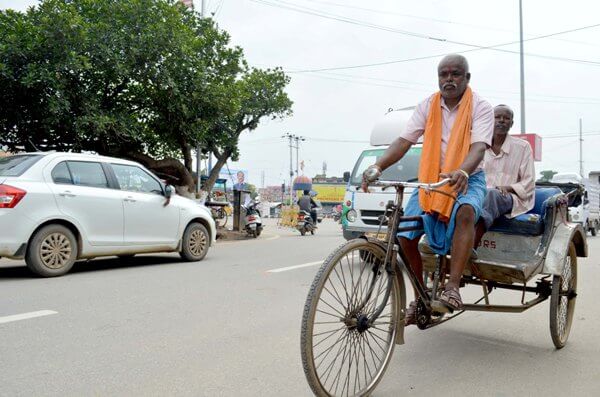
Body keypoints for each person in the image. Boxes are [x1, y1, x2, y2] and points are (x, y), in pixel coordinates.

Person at [362, 54, 494, 322]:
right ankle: (421, 296)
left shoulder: (481, 107)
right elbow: (403, 141)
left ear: (467, 78)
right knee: (405, 232)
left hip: (468, 177)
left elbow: (479, 147)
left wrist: (462, 171)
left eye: (455, 74)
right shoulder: (427, 106)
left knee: (466, 211)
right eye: (443, 74)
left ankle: (453, 287)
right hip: (432, 179)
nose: (449, 79)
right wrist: (377, 167)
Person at [474, 105, 535, 247]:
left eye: (506, 118)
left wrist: (507, 188)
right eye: (497, 117)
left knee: (491, 195)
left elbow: (529, 182)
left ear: (511, 124)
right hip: (479, 195)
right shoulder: (479, 146)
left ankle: (471, 245)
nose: (501, 121)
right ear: (490, 120)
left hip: (509, 197)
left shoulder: (523, 147)